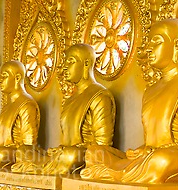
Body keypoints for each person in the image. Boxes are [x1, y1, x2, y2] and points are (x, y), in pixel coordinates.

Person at [80, 18, 178, 184]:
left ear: (177, 44)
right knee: (94, 153)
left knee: (162, 162)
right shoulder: (151, 89)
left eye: (156, 42)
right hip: (150, 159)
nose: (149, 49)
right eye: (149, 43)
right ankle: (117, 173)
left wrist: (153, 152)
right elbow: (152, 142)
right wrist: (142, 151)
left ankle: (116, 175)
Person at [11, 43, 115, 175]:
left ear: (86, 64)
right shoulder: (70, 99)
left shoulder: (100, 96)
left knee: (70, 155)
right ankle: (45, 169)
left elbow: (102, 148)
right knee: (23, 152)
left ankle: (43, 170)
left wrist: (70, 151)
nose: (65, 67)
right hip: (64, 155)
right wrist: (60, 150)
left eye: (71, 61)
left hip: (81, 157)